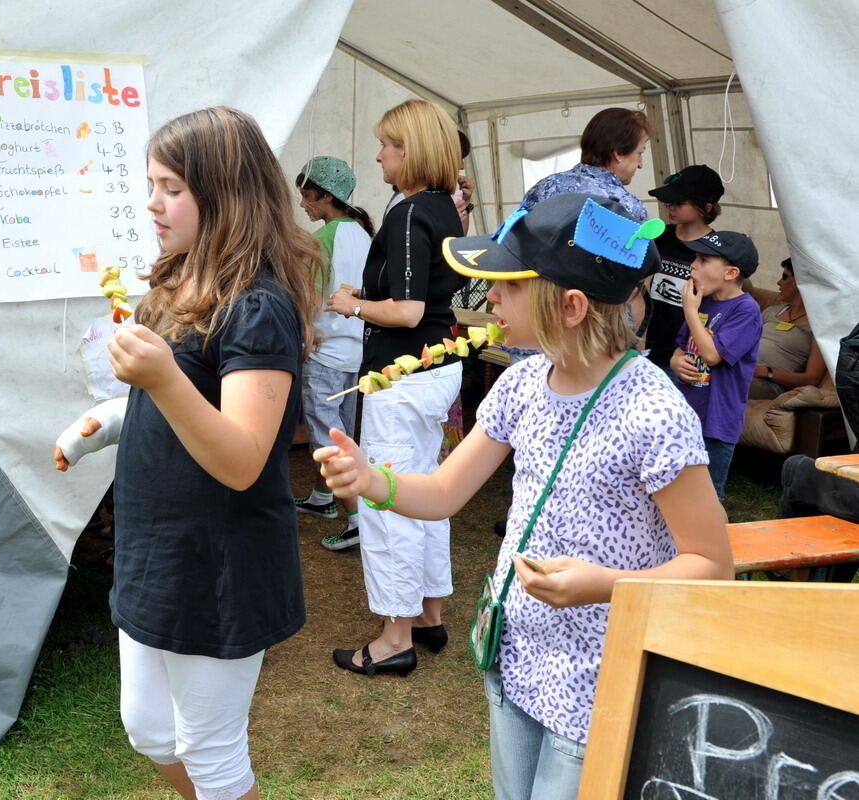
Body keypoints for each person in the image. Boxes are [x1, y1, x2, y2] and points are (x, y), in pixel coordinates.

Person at [315, 193, 733, 799]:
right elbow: (442, 493)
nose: (488, 300)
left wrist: (599, 584)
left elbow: (712, 565)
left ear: (569, 305)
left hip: (601, 680)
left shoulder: (654, 411)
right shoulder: (519, 383)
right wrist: (372, 481)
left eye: (506, 286)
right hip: (516, 662)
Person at [53, 106, 321, 800]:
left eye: (170, 186)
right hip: (159, 555)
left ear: (224, 192)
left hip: (220, 566)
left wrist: (160, 377)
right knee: (148, 731)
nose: (152, 201)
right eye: (151, 183)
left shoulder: (258, 307)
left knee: (210, 750)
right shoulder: (177, 285)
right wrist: (111, 418)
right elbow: (174, 408)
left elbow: (241, 457)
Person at [323, 98, 465, 673]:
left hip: (402, 375)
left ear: (411, 151)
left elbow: (406, 311)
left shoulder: (409, 214)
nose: (379, 156)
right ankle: (428, 617)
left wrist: (350, 306)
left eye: (388, 145)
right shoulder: (443, 209)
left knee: (388, 500)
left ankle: (394, 637)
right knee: (425, 493)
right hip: (432, 370)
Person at [292, 156, 372, 548]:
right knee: (344, 433)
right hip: (356, 353)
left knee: (328, 441)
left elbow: (307, 300)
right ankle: (324, 498)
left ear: (325, 196)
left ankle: (356, 519)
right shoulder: (363, 233)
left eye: (307, 196)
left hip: (324, 352)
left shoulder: (321, 241)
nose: (303, 204)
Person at [671, 231, 763, 501]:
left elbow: (712, 355)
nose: (693, 265)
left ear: (730, 272)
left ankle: (718, 543)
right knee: (681, 492)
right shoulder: (704, 303)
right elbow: (681, 346)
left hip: (717, 420)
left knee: (707, 497)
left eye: (704, 259)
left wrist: (689, 310)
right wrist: (676, 361)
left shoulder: (746, 310)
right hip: (688, 413)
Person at [644, 165, 725, 377]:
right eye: (669, 201)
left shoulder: (717, 251)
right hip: (647, 350)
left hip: (685, 358)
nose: (670, 207)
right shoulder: (659, 237)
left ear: (707, 207)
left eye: (679, 203)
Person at [519, 107, 651, 222]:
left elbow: (512, 240)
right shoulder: (627, 207)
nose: (640, 164)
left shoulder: (545, 187)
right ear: (619, 153)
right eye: (640, 153)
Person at [749, 257, 826, 399]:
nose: (778, 282)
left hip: (767, 383)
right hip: (742, 369)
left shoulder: (818, 326)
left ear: (801, 282)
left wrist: (767, 372)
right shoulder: (771, 311)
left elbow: (812, 378)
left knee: (724, 381)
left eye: (784, 277)